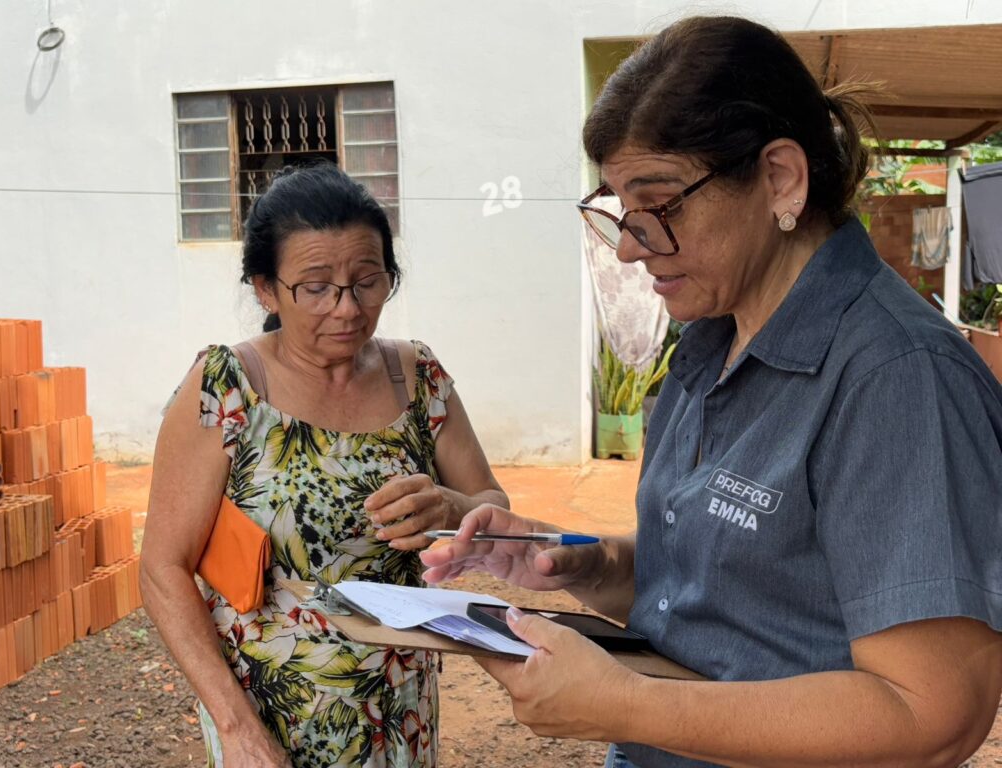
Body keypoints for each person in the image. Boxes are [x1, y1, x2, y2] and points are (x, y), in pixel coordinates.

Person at [421, 15, 1002, 768]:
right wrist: (586, 565)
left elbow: (932, 717)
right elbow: (725, 599)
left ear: (781, 178)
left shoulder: (896, 378)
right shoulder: (710, 343)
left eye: (658, 206)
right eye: (619, 211)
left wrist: (626, 703)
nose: (630, 246)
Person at [140, 163, 508, 768]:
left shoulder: (418, 378)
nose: (348, 308)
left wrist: (455, 508)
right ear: (265, 289)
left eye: (368, 281)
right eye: (316, 286)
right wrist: (237, 731)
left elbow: (494, 506)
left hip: (399, 698)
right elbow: (162, 567)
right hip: (268, 707)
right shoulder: (227, 387)